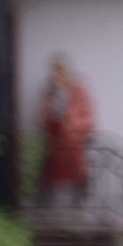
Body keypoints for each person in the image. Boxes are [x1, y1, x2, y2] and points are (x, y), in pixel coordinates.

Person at [39, 55, 94, 206]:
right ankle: (47, 208)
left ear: (67, 72)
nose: (57, 74)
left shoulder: (78, 91)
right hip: (54, 138)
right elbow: (44, 114)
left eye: (60, 71)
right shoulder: (50, 92)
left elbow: (89, 117)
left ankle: (79, 207)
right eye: (55, 71)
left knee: (76, 173)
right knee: (50, 174)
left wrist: (73, 125)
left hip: (72, 139)